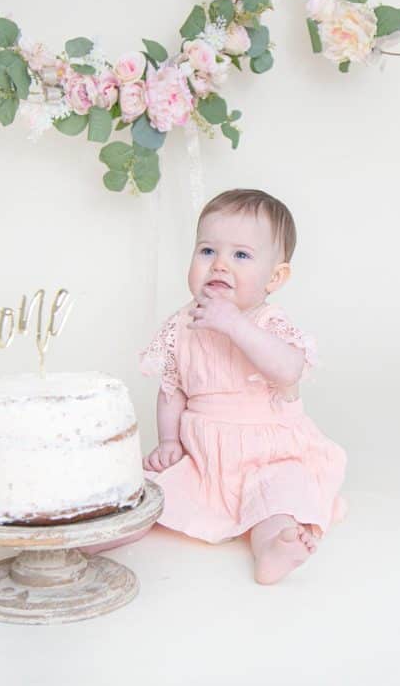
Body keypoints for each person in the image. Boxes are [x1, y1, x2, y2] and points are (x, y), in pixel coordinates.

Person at [141, 188, 347, 584]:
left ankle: (274, 545)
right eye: (206, 251)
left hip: (271, 455)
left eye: (241, 255)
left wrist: (234, 324)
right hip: (206, 458)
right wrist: (169, 442)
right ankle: (103, 530)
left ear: (275, 277)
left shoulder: (268, 324)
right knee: (152, 495)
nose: (219, 265)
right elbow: (172, 390)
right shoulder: (182, 326)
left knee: (277, 498)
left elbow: (288, 370)